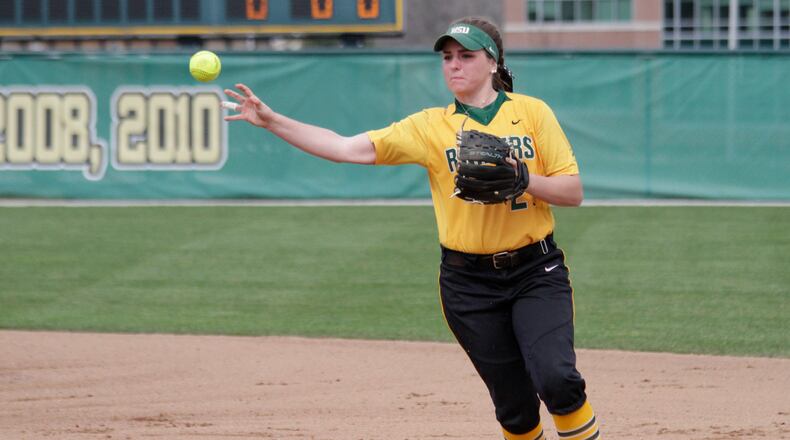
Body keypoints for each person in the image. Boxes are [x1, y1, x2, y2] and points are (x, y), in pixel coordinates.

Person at [223, 16, 600, 440]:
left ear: (493, 63)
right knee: (515, 409)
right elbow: (345, 148)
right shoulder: (429, 126)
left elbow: (573, 191)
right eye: (447, 57)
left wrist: (523, 179)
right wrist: (273, 121)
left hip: (535, 272)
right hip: (468, 284)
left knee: (556, 379)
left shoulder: (532, 113)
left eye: (466, 56)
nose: (454, 65)